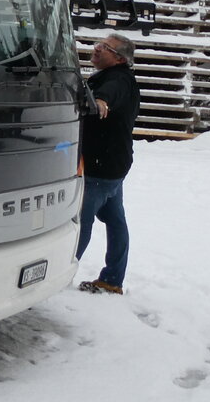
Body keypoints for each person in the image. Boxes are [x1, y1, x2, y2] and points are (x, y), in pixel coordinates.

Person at [77, 32, 140, 295]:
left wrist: (101, 100)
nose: (97, 49)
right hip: (114, 164)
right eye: (98, 44)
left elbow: (108, 94)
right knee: (115, 220)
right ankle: (112, 279)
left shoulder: (117, 80)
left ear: (119, 57)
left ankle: (53, 278)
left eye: (104, 47)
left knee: (80, 223)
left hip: (101, 168)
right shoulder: (113, 76)